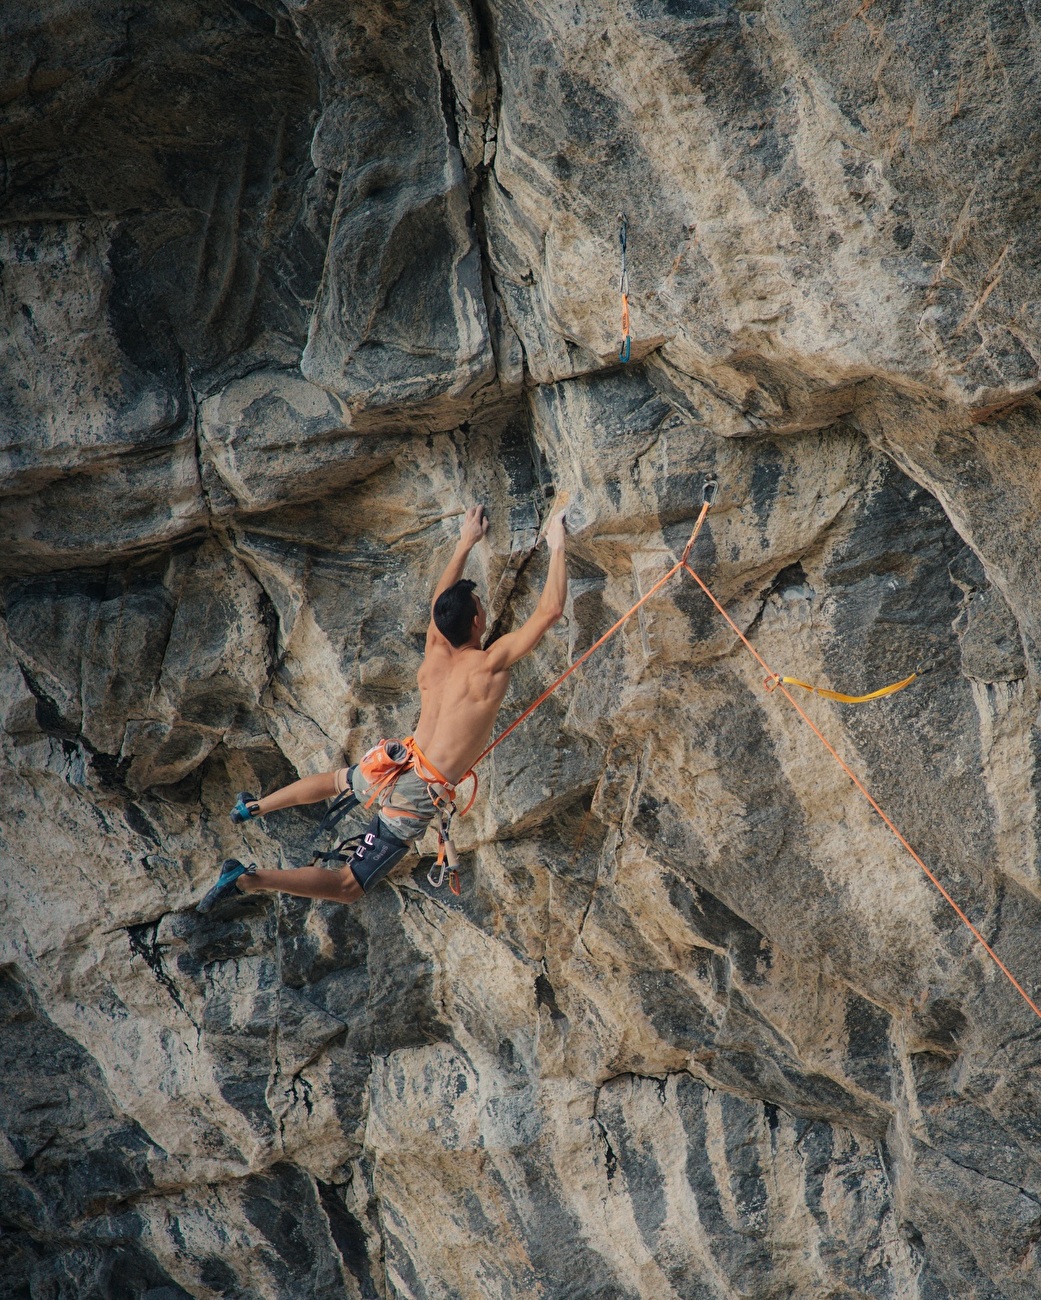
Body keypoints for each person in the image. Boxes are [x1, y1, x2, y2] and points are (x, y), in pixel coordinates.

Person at [197, 505, 568, 912]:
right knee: (347, 885)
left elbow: (437, 608)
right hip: (413, 792)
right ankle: (249, 880)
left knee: (338, 780)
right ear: (479, 622)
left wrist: (465, 543)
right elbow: (548, 612)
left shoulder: (435, 657)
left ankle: (254, 807)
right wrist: (558, 544)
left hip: (392, 764)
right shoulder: (488, 665)